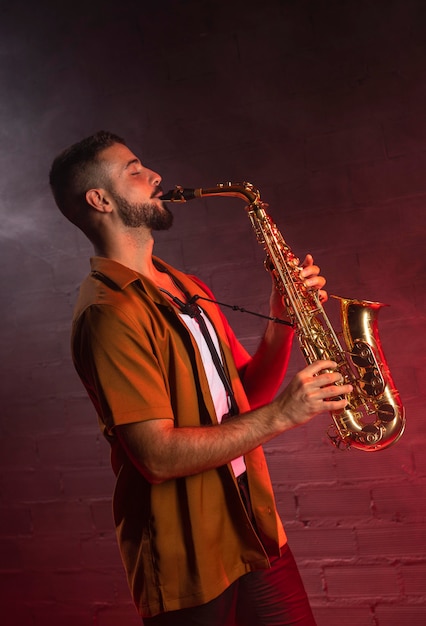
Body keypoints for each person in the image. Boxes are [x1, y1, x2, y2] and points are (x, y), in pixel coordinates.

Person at [49, 130, 352, 626]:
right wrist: (285, 415)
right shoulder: (108, 314)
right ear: (100, 199)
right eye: (135, 170)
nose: (155, 177)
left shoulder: (188, 287)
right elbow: (157, 457)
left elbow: (246, 397)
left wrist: (284, 319)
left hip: (256, 533)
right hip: (188, 560)